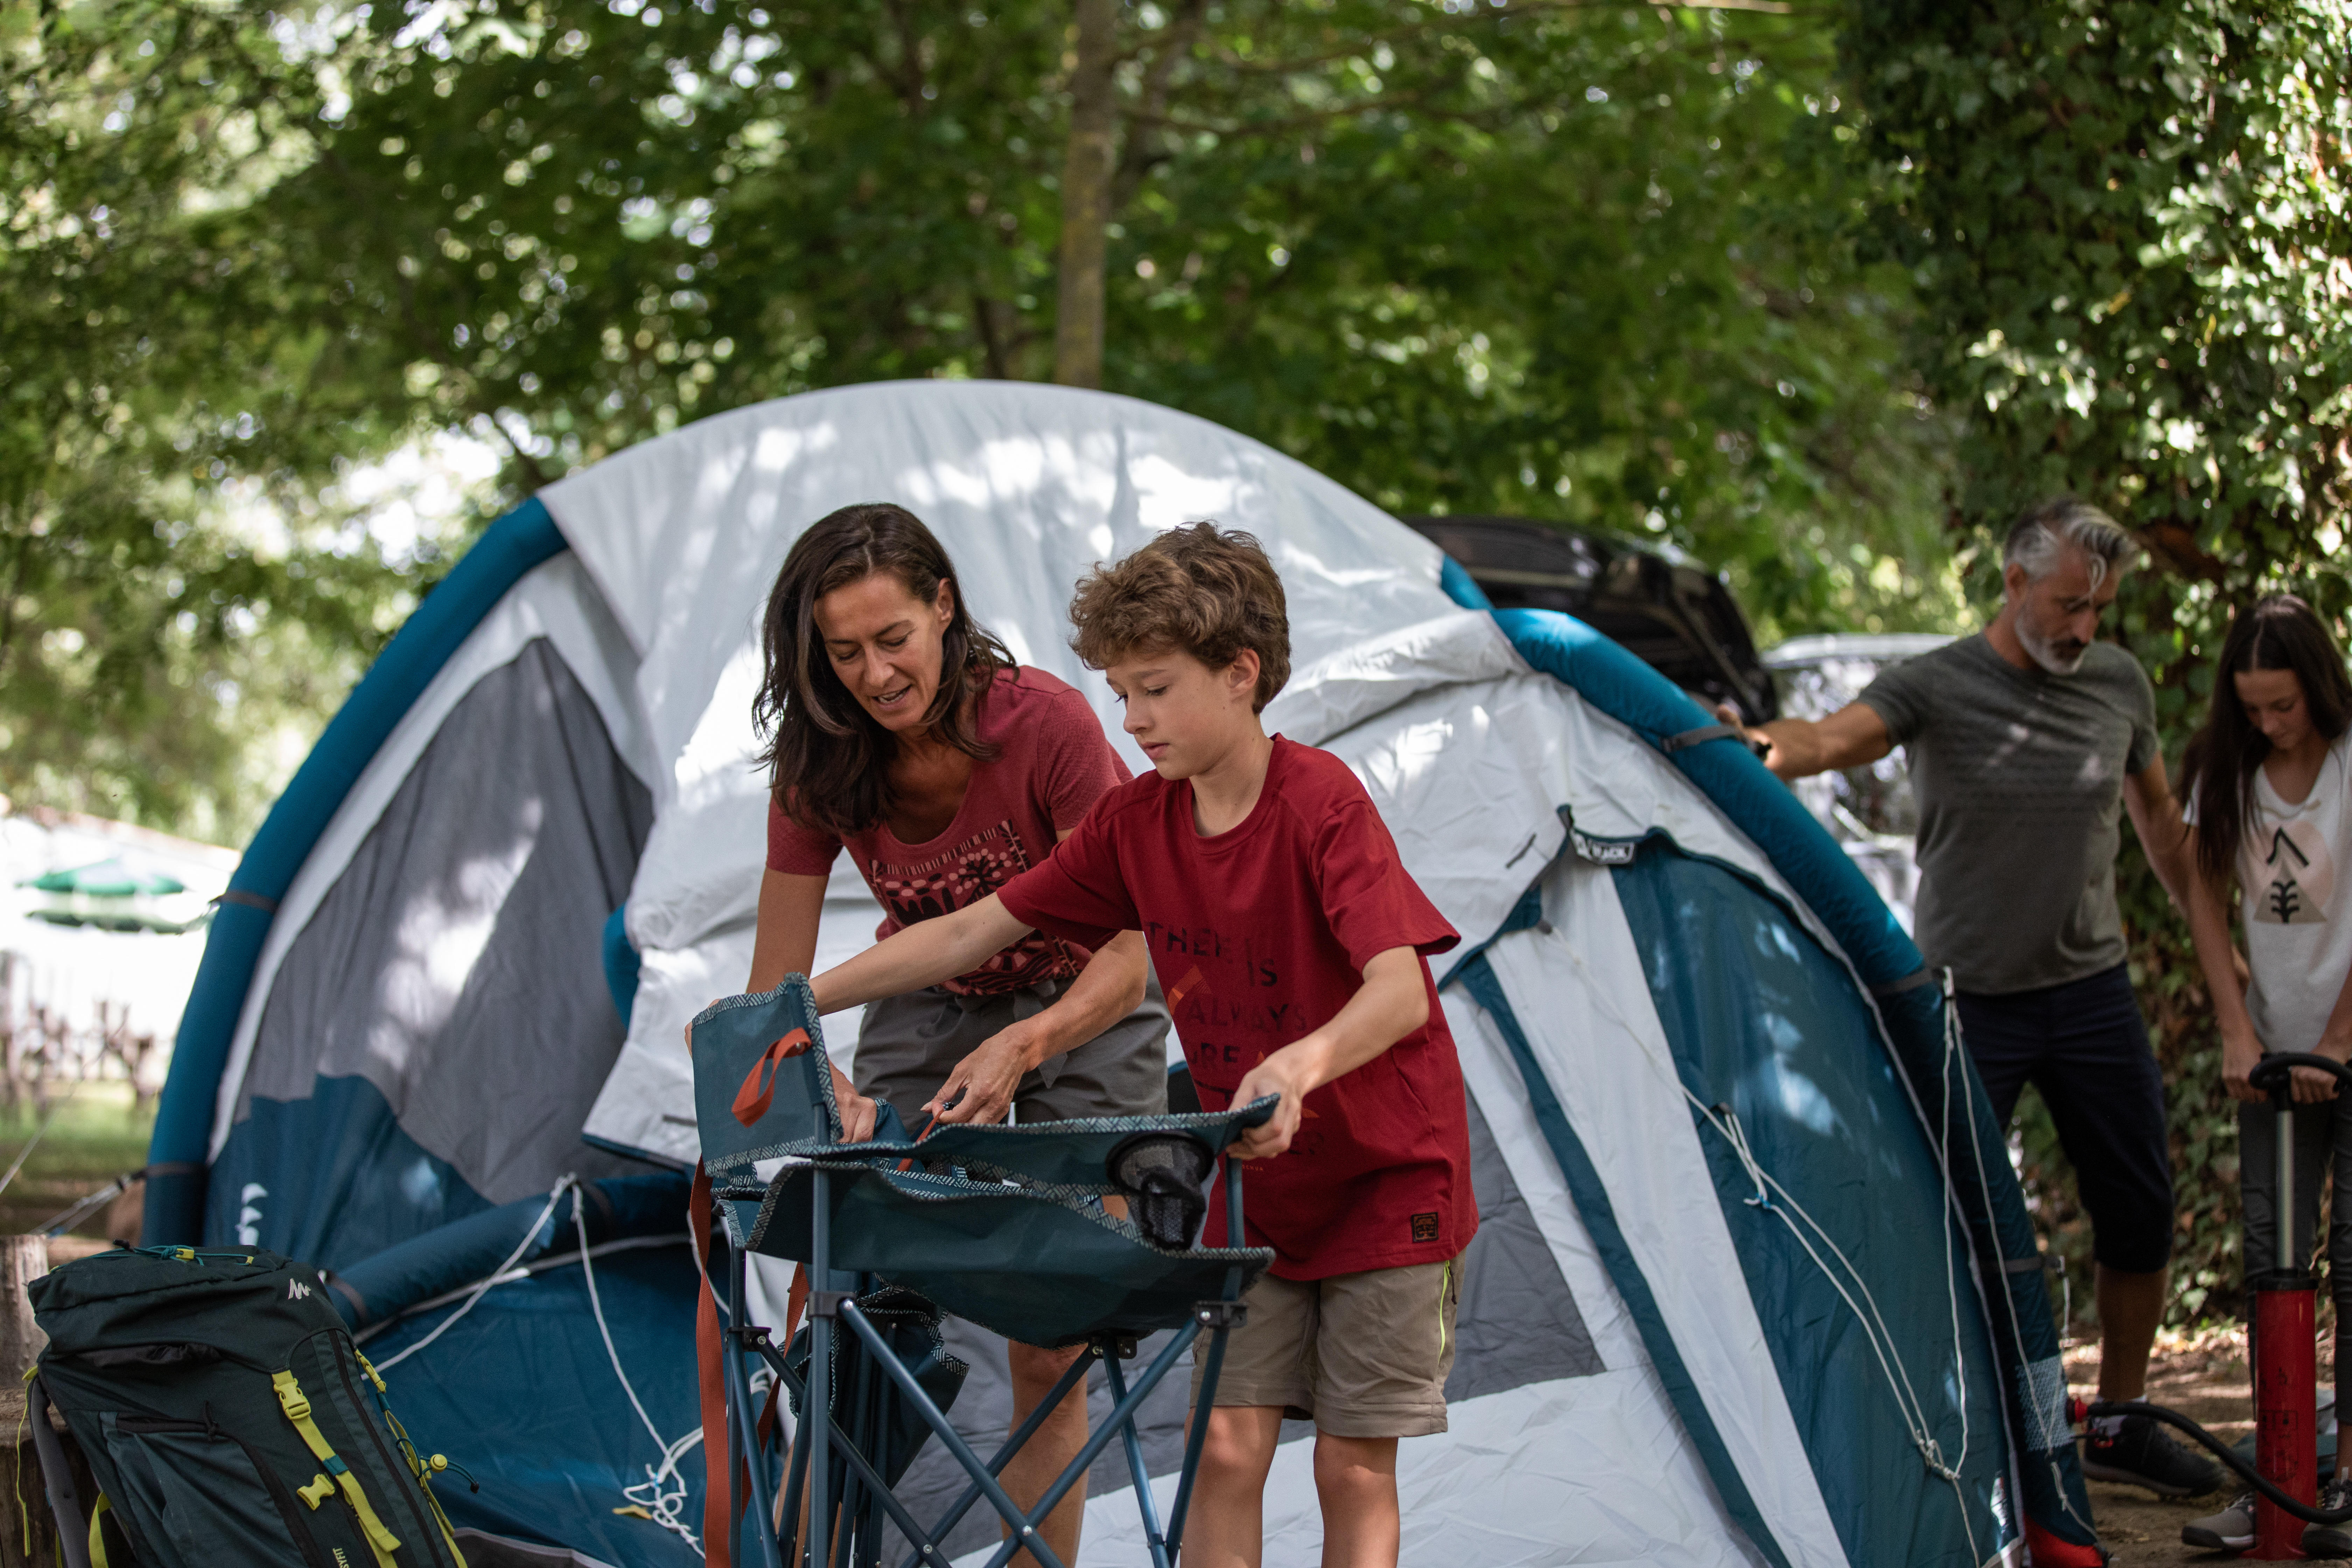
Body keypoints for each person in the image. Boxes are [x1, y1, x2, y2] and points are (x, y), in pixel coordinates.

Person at [810, 523, 1476, 1568]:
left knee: (1350, 1462)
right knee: (1222, 1444)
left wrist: (1299, 1065)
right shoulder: (1137, 823)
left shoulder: (1322, 805)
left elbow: (1401, 991)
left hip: (1392, 1184)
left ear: (1241, 674)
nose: (1132, 719)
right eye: (1120, 691)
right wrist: (803, 999)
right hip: (1261, 1192)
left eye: (1155, 690)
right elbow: (974, 929)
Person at [1729, 498, 2224, 1498]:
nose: (2085, 628)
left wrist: (2221, 948)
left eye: (2099, 608)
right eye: (2067, 605)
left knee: (2140, 1212)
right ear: (2012, 584)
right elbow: (1829, 740)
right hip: (1969, 1003)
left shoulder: (2119, 685)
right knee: (1938, 1221)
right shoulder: (1938, 684)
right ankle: (1943, 1430)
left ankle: (2118, 1425)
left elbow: (2165, 830)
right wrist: (1749, 748)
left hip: (2091, 993)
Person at [745, 501, 1170, 1567]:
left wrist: (1032, 1044)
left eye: (894, 640)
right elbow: (776, 994)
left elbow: (1136, 948)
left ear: (945, 607)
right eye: (844, 654)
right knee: (859, 1321)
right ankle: (807, 1554)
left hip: (1088, 992)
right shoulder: (818, 765)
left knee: (1053, 1333)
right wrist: (822, 1087)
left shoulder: (1048, 725)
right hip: (931, 1001)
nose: (877, 675)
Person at [2175, 595, 2352, 1556]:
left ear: (2318, 687)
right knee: (2271, 1257)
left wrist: (2341, 1037)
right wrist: (2238, 1030)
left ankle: (2349, 1483)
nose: (2269, 724)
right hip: (2274, 1056)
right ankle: (2280, 1477)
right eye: (2253, 708)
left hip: (2346, 1045)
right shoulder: (2229, 768)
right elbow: (2203, 893)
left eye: (2284, 706)